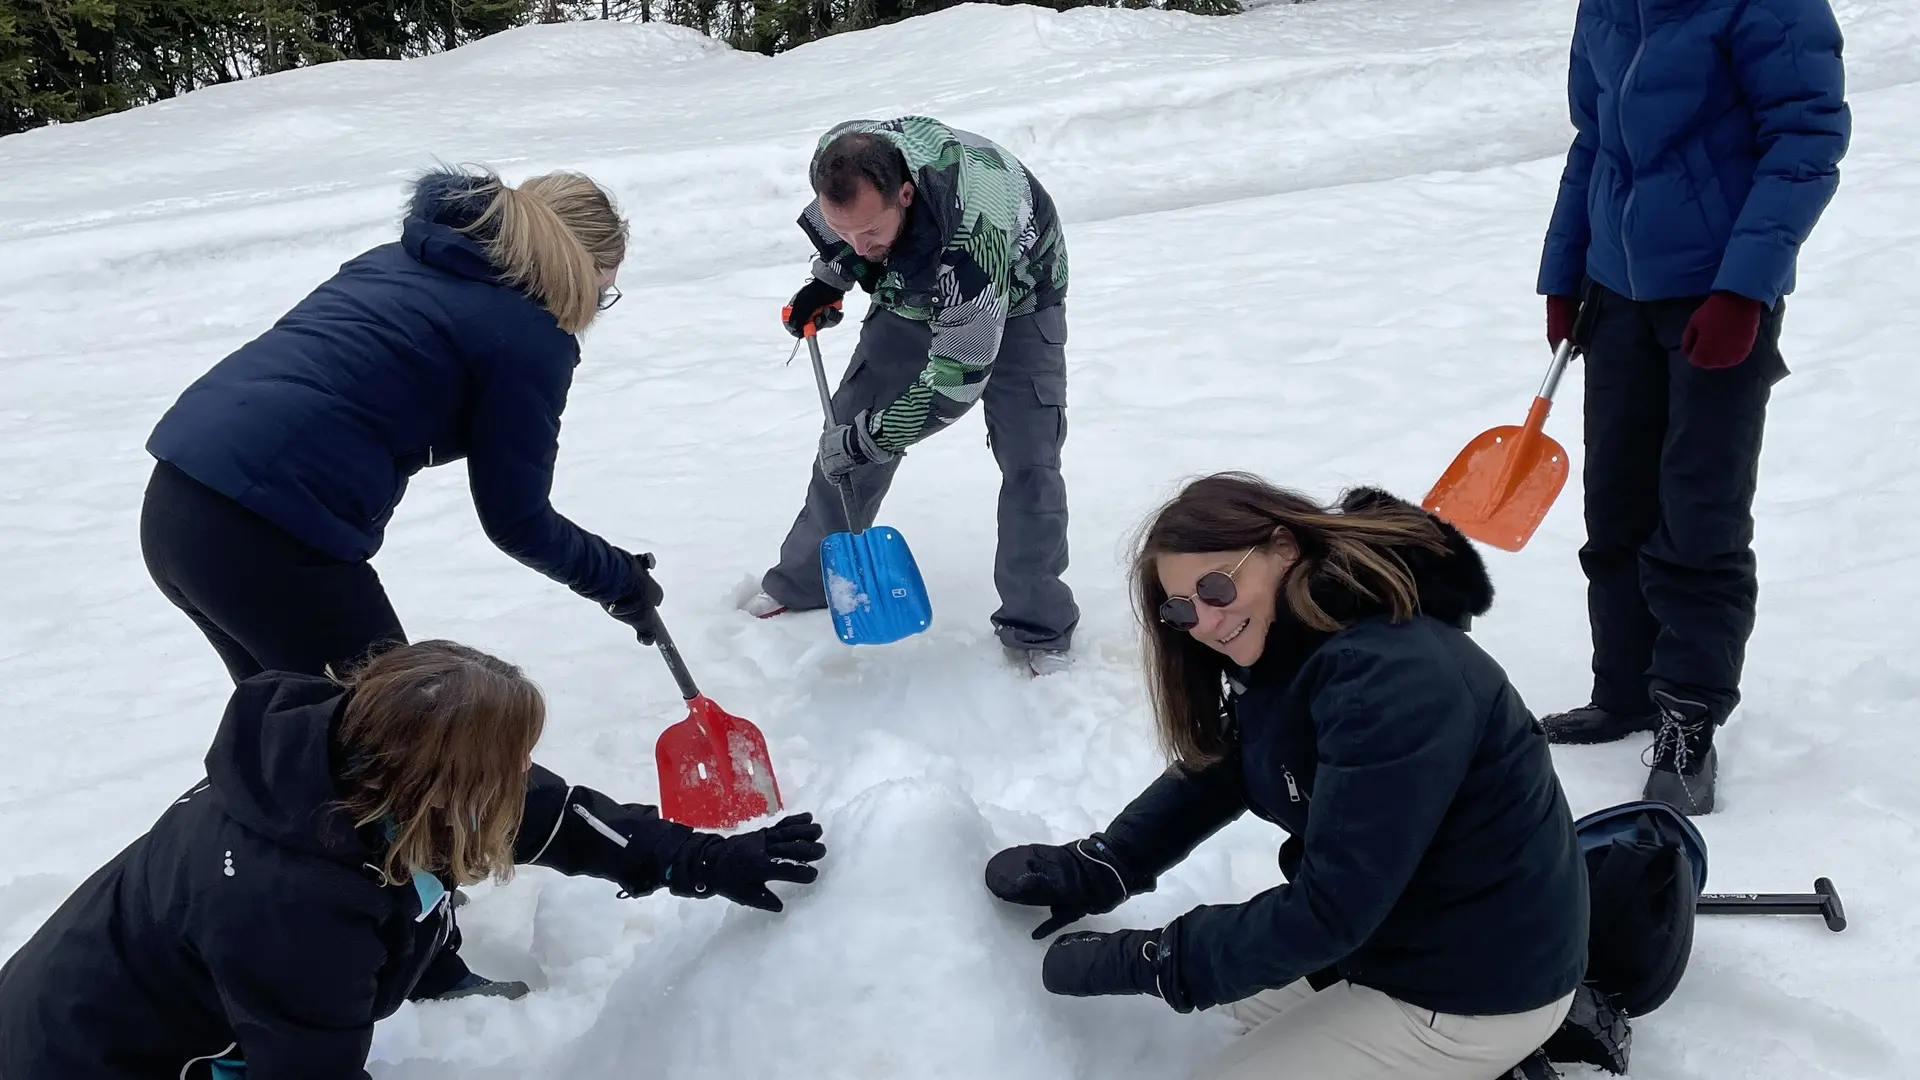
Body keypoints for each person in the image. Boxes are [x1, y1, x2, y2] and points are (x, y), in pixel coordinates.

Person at [138, 164, 670, 996]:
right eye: (604, 291)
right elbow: (517, 517)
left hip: (178, 508)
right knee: (413, 747)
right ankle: (416, 969)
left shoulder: (403, 261)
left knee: (311, 747)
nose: (594, 310)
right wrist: (619, 581)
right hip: (271, 536)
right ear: (574, 268)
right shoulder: (528, 335)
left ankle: (279, 930)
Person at [984, 475, 1587, 1080]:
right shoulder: (1298, 640)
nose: (1207, 620)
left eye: (1216, 586)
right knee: (1237, 997)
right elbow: (1231, 767)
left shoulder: (1391, 677)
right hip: (1384, 940)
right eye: (1181, 608)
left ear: (1283, 547)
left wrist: (1158, 961)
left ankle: (1490, 1063)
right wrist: (1109, 862)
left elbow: (1330, 908)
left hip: (1474, 984)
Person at [0, 641, 826, 1080]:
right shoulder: (294, 909)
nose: (519, 780)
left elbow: (559, 818)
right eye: (505, 763)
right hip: (87, 1059)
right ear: (443, 781)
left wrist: (706, 862)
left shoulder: (351, 759)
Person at [1534, 0, 1850, 815]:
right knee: (1616, 508)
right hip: (1617, 290)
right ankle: (1628, 690)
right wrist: (1564, 273)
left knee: (1699, 513)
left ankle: (1688, 716)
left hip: (1717, 293)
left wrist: (1745, 287)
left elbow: (1807, 139)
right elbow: (1593, 141)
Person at [744, 115, 1078, 677]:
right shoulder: (843, 157)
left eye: (869, 232)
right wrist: (831, 277)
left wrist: (875, 438)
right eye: (845, 232)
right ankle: (806, 580)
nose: (858, 244)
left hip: (1020, 292)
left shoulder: (977, 239)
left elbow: (954, 385)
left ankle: (1039, 624)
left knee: (1030, 458)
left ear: (905, 194)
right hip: (914, 286)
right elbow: (848, 230)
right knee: (843, 433)